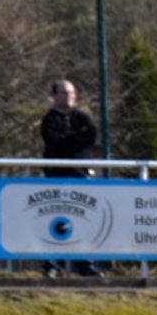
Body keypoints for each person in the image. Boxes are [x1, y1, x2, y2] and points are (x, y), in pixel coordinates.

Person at [39, 79, 101, 278]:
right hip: (57, 176)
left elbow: (91, 137)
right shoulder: (50, 120)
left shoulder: (82, 117)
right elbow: (56, 143)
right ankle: (52, 264)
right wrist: (76, 140)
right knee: (54, 219)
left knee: (84, 219)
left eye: (72, 93)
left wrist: (71, 140)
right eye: (64, 93)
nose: (69, 97)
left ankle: (85, 264)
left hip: (80, 175)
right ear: (55, 96)